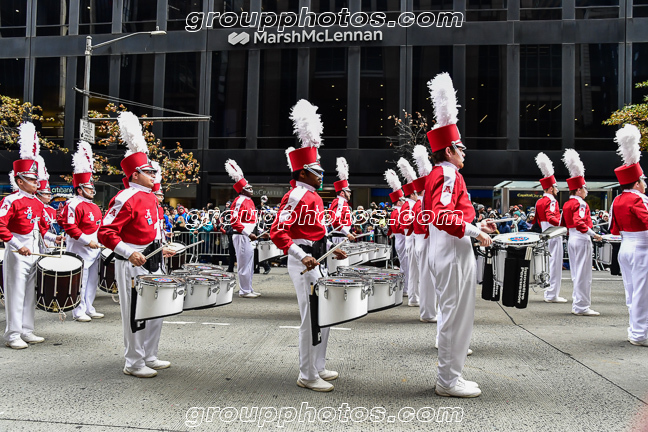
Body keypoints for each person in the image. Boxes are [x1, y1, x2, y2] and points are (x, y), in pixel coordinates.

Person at [423, 72, 495, 397]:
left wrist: (477, 226)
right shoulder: (448, 173)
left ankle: (451, 376)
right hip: (452, 246)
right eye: (461, 147)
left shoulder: (440, 173)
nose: (465, 152)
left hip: (447, 244)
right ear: (450, 149)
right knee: (456, 315)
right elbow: (442, 215)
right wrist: (474, 231)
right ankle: (448, 380)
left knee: (452, 313)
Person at [270, 99, 346, 392]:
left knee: (324, 314)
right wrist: (302, 256)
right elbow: (278, 231)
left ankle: (319, 365)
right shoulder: (296, 195)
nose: (321, 174)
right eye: (315, 170)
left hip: (317, 258)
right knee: (311, 317)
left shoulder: (312, 195)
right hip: (304, 261)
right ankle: (307, 373)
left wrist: (330, 249)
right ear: (302, 172)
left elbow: (315, 230)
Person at [98, 112, 176, 378]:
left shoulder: (151, 198)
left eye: (154, 171)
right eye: (149, 171)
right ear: (135, 174)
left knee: (157, 311)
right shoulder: (126, 197)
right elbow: (105, 232)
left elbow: (152, 229)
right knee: (135, 313)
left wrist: (162, 248)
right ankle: (133, 361)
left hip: (153, 259)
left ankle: (149, 355)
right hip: (133, 262)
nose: (155, 174)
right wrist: (128, 252)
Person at [0, 123, 57, 349]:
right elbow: (1, 225)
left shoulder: (37, 203)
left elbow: (41, 228)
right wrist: (16, 245)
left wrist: (54, 239)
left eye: (36, 179)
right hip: (18, 251)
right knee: (15, 294)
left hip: (34, 251)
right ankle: (13, 334)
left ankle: (27, 329)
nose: (36, 183)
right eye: (32, 180)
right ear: (20, 181)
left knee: (29, 293)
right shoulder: (10, 200)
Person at [609, 124, 648, 346]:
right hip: (642, 248)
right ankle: (639, 334)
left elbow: (613, 227)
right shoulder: (638, 198)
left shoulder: (618, 199)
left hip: (625, 246)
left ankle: (635, 329)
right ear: (636, 182)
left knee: (632, 291)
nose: (644, 184)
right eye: (643, 180)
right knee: (642, 293)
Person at [59, 141, 104, 322]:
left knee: (92, 280)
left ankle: (89, 307)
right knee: (81, 280)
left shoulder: (94, 206)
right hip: (80, 248)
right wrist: (87, 241)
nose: (92, 190)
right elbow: (70, 227)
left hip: (94, 247)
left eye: (92, 187)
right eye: (88, 188)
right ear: (79, 189)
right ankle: (78, 311)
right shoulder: (73, 204)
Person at [561, 149, 602, 316]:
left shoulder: (566, 203)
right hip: (581, 238)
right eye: (584, 188)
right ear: (578, 190)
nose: (586, 191)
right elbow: (579, 222)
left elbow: (564, 223)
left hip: (572, 238)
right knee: (584, 274)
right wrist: (594, 234)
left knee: (576, 273)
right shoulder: (581, 203)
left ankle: (578, 304)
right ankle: (582, 306)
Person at [225, 159, 261, 298]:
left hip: (249, 234)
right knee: (243, 264)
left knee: (249, 264)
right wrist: (248, 233)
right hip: (242, 235)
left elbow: (252, 219)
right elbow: (234, 221)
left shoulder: (249, 201)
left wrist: (257, 232)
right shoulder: (239, 200)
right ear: (243, 190)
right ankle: (244, 291)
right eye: (249, 188)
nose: (251, 190)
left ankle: (249, 288)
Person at [534, 152, 566, 303]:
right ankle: (552, 294)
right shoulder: (552, 200)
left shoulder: (539, 201)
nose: (557, 189)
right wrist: (563, 223)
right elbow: (551, 217)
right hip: (553, 234)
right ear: (551, 188)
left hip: (544, 233)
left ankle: (549, 292)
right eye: (555, 186)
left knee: (547, 264)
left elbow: (538, 220)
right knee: (555, 264)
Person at [412, 145, 436, 324]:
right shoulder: (423, 201)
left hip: (421, 238)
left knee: (426, 276)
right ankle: (428, 312)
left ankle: (427, 310)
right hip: (426, 238)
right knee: (428, 277)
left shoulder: (419, 202)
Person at [398, 158, 418, 304]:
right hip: (411, 238)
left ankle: (412, 295)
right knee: (411, 269)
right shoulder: (409, 205)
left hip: (410, 238)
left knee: (411, 269)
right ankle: (412, 296)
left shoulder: (408, 205)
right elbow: (405, 224)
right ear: (411, 194)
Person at [384, 169, 407, 276]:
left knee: (404, 263)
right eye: (402, 200)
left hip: (399, 238)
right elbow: (398, 227)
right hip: (402, 238)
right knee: (405, 263)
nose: (404, 201)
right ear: (398, 202)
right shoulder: (397, 212)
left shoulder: (395, 212)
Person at [329, 157, 355, 244]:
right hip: (340, 237)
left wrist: (349, 232)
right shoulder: (340, 202)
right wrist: (347, 233)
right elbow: (336, 221)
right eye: (348, 191)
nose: (350, 193)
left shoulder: (343, 202)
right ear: (342, 193)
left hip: (342, 235)